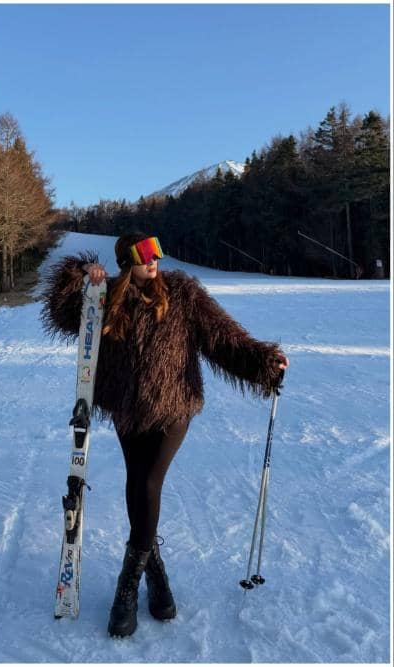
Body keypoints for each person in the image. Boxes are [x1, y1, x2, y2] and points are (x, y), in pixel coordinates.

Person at [41, 233, 288, 638]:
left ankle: (127, 584)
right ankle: (157, 576)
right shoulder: (105, 296)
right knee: (137, 484)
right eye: (143, 255)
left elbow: (224, 339)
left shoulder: (183, 293)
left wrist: (264, 361)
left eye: (156, 252)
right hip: (126, 410)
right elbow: (62, 310)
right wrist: (82, 272)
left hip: (173, 408)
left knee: (151, 481)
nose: (153, 261)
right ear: (126, 261)